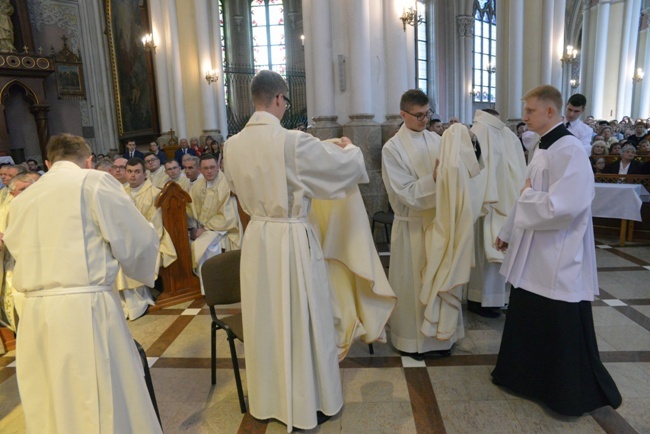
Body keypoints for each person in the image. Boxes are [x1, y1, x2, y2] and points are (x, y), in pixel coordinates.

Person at [223, 70, 368, 431]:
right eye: (285, 101)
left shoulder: (232, 145)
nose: (285, 106)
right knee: (303, 315)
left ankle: (270, 399)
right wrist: (350, 148)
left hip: (257, 239)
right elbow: (338, 170)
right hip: (290, 238)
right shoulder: (291, 141)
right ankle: (308, 400)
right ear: (277, 99)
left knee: (266, 320)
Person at [3, 133, 162, 433]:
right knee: (99, 397)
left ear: (49, 162)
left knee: (52, 399)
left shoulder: (23, 200)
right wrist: (143, 270)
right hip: (84, 308)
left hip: (35, 315)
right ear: (88, 160)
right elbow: (138, 241)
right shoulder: (93, 182)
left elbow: (15, 249)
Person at [492, 85, 622, 416]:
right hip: (534, 251)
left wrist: (527, 198)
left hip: (557, 255)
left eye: (530, 111)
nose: (524, 117)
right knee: (529, 315)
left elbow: (566, 206)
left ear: (551, 112)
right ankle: (524, 379)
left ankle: (561, 391)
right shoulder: (543, 147)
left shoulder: (571, 151)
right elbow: (528, 194)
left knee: (556, 320)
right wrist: (507, 232)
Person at [382, 89, 465, 357]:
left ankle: (441, 339)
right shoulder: (392, 149)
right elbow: (405, 193)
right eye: (418, 115)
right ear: (402, 114)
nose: (424, 120)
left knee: (440, 281)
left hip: (439, 225)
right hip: (412, 227)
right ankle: (414, 342)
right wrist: (437, 177)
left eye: (427, 114)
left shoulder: (437, 139)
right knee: (413, 288)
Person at [466, 109, 526, 318]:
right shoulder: (498, 132)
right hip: (493, 202)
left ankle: (490, 299)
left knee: (492, 253)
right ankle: (480, 299)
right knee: (486, 254)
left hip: (491, 201)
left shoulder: (479, 131)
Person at [188, 153, 241, 272]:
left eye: (212, 167)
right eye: (205, 168)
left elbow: (228, 216)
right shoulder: (197, 186)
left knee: (204, 246)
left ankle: (211, 283)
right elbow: (190, 209)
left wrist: (205, 228)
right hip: (201, 227)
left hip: (223, 229)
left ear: (218, 167)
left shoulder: (227, 185)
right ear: (200, 170)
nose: (209, 171)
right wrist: (192, 227)